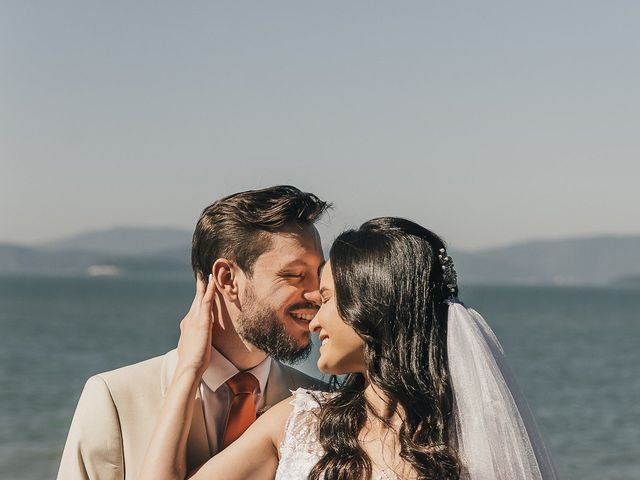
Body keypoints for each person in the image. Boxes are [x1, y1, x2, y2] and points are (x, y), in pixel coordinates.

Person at [139, 217, 559, 480]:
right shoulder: (299, 422)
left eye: (326, 299)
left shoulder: (466, 445)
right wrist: (189, 368)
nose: (314, 318)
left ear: (370, 307)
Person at [57, 185, 331, 480]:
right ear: (227, 279)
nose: (316, 294)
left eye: (318, 274)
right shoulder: (114, 398)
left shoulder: (323, 403)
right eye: (293, 274)